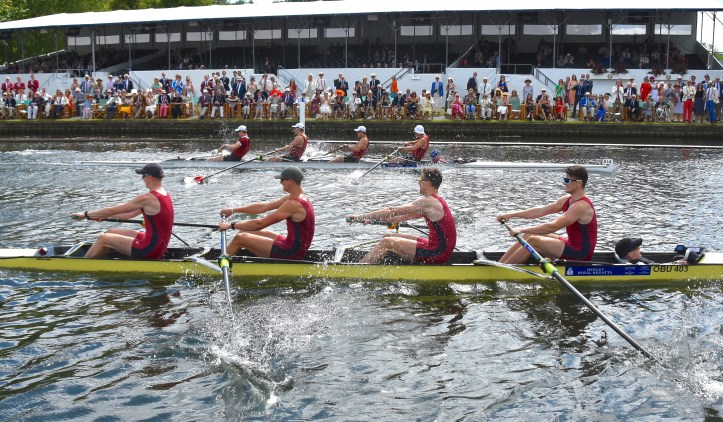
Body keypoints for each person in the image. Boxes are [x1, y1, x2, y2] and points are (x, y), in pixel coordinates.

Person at [347, 168, 456, 264]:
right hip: (440, 248)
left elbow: (392, 210)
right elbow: (397, 218)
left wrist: (360, 216)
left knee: (386, 242)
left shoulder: (428, 202)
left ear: (427, 183)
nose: (418, 182)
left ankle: (357, 269)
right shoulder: (435, 202)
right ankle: (379, 262)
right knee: (387, 236)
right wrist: (371, 219)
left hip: (437, 252)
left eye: (420, 179)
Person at [496, 165, 597, 264]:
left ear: (578, 183)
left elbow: (553, 226)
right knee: (529, 235)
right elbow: (540, 211)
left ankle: (502, 270)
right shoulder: (566, 200)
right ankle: (500, 265)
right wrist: (511, 215)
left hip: (580, 253)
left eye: (567, 180)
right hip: (570, 243)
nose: (564, 183)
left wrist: (521, 229)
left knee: (533, 241)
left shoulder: (581, 206)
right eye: (564, 179)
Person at [70, 163, 174, 259]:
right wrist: (104, 216)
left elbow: (112, 210)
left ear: (150, 177)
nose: (142, 179)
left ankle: (83, 265)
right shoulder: (165, 195)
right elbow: (128, 215)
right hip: (158, 246)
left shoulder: (147, 198)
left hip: (150, 249)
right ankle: (103, 259)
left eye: (143, 176)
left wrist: (85, 215)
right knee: (110, 232)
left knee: (103, 238)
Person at [218, 166, 314, 259]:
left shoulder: (294, 204)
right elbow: (263, 207)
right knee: (244, 231)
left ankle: (220, 264)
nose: (280, 182)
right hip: (291, 245)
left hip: (291, 253)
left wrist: (231, 226)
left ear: (290, 181)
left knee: (240, 238)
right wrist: (233, 210)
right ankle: (233, 258)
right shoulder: (296, 197)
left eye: (282, 180)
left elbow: (260, 224)